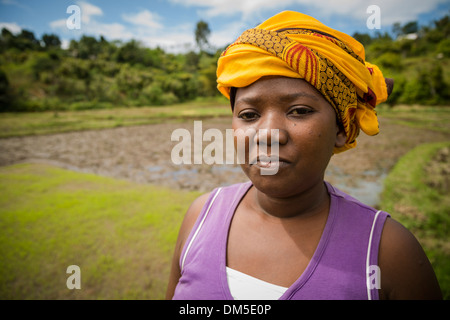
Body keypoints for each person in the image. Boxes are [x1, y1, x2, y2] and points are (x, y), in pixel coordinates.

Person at [165, 11, 442, 300]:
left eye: (299, 111)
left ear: (340, 127)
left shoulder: (388, 251)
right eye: (249, 115)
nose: (268, 134)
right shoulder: (201, 217)